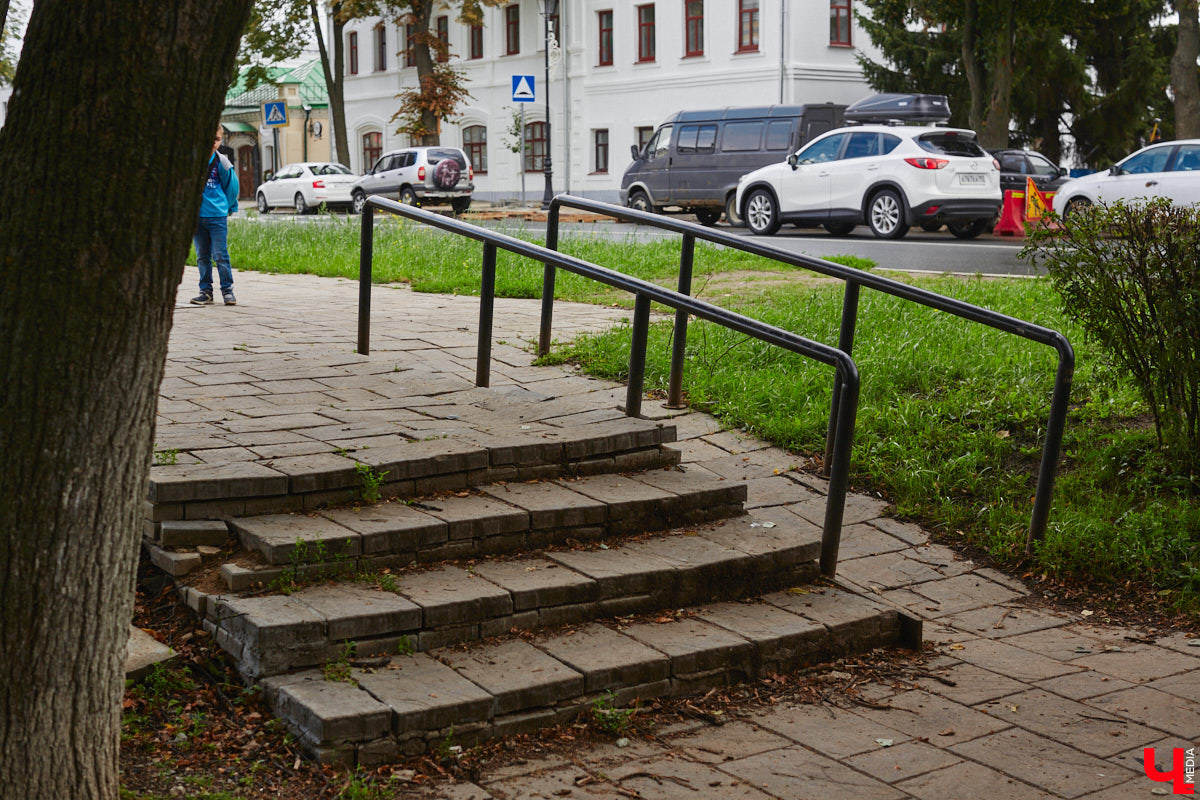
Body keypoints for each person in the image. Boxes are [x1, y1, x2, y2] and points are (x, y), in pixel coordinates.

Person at [191, 125, 240, 305]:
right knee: (202, 255)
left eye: (217, 140)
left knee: (220, 254)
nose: (213, 143)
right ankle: (205, 291)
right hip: (197, 216)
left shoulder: (222, 163)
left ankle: (227, 290)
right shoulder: (191, 161)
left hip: (217, 216)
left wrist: (225, 207)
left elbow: (231, 187)